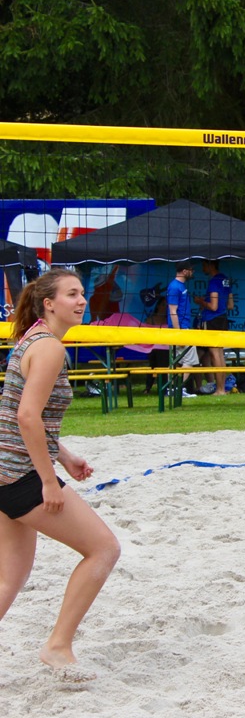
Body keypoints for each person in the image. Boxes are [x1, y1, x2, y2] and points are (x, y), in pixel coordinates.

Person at [0, 268, 121, 681]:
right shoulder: (48, 347)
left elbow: (23, 418)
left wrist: (62, 455)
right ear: (48, 303)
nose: (82, 300)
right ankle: (57, 646)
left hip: (3, 473)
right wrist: (49, 481)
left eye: (83, 293)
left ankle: (58, 646)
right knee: (104, 549)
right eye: (72, 294)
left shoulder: (30, 337)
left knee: (7, 582)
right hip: (20, 478)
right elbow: (26, 415)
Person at [194, 260, 234, 397]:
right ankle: (222, 388)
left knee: (214, 354)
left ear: (211, 265)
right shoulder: (225, 280)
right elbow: (230, 305)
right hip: (223, 319)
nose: (202, 267)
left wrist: (200, 302)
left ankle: (220, 389)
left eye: (204, 264)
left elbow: (213, 306)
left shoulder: (214, 282)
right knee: (220, 353)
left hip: (212, 320)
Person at [167, 261, 200, 398]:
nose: (192, 272)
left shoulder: (180, 286)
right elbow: (172, 311)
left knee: (176, 361)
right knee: (189, 361)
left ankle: (172, 389)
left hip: (182, 328)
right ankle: (177, 388)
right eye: (191, 269)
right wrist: (178, 332)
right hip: (180, 330)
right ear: (184, 271)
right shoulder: (175, 287)